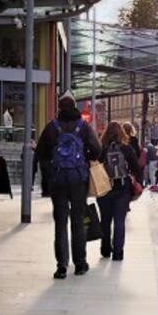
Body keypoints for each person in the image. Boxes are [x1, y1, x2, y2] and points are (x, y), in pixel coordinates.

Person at [34, 90, 101, 279]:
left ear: (59, 108)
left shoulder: (51, 127)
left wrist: (50, 174)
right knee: (78, 221)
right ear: (74, 106)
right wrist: (85, 158)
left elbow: (40, 154)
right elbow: (97, 150)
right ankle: (80, 264)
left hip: (58, 181)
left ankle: (62, 266)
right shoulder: (83, 126)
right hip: (78, 180)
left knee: (60, 223)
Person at [97, 122, 141, 261]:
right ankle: (118, 252)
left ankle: (105, 249)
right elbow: (136, 167)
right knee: (119, 221)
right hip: (122, 189)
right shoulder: (126, 148)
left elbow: (94, 166)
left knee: (105, 221)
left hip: (104, 189)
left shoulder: (101, 149)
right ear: (121, 133)